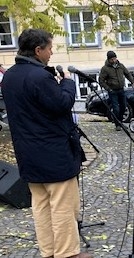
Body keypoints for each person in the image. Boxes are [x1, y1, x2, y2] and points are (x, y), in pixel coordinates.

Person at [1, 29, 92, 258]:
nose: (51, 53)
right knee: (62, 206)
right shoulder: (39, 76)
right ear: (38, 50)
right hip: (53, 153)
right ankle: (67, 253)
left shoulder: (9, 76)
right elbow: (61, 103)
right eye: (50, 48)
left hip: (27, 153)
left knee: (40, 206)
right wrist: (68, 84)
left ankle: (49, 251)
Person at [98, 50, 134, 131]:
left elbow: (127, 74)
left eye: (115, 58)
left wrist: (132, 82)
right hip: (112, 91)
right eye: (112, 59)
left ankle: (120, 121)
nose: (114, 60)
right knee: (116, 108)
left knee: (124, 106)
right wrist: (108, 89)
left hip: (121, 89)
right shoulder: (105, 69)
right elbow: (101, 80)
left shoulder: (120, 66)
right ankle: (117, 124)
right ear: (108, 59)